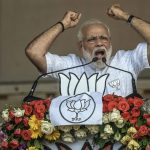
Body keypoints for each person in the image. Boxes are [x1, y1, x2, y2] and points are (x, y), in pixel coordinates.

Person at [25, 4, 150, 150]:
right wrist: (63, 25)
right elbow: (34, 52)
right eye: (92, 39)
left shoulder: (126, 61)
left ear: (110, 42)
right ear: (81, 46)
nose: (99, 43)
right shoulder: (71, 65)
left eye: (104, 38)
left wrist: (126, 17)